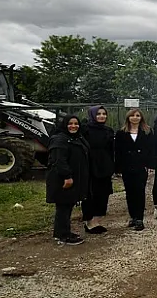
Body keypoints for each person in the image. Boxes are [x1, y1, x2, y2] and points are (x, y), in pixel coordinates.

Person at [46, 115, 89, 245]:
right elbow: (59, 160)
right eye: (70, 124)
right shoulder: (59, 140)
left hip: (74, 177)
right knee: (63, 206)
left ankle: (64, 231)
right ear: (65, 125)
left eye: (76, 123)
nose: (73, 126)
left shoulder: (76, 138)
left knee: (68, 205)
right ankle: (62, 235)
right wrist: (67, 176)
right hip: (63, 179)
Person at [115, 108, 155, 231]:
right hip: (127, 167)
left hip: (141, 166)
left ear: (141, 117)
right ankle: (132, 216)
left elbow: (151, 149)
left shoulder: (147, 131)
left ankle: (139, 218)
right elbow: (118, 151)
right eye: (132, 115)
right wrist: (118, 168)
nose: (135, 117)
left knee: (139, 192)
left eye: (138, 115)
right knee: (129, 193)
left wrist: (150, 164)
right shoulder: (121, 133)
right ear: (128, 117)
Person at [81, 105, 114, 234]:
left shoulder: (108, 130)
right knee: (90, 193)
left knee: (103, 193)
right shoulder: (85, 130)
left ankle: (97, 220)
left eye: (104, 114)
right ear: (93, 115)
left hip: (105, 164)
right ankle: (89, 222)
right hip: (90, 165)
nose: (102, 116)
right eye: (98, 114)